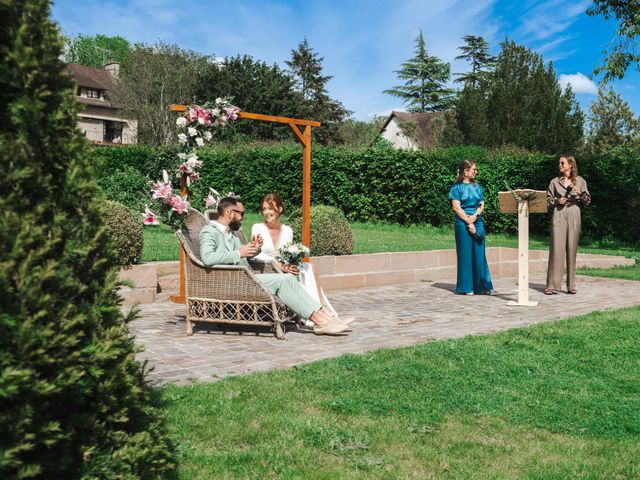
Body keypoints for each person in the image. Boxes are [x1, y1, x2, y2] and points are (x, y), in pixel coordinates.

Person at [199, 196, 350, 335]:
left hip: (247, 277)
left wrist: (255, 248)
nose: (242, 218)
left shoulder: (231, 233)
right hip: (233, 282)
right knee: (283, 280)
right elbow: (207, 258)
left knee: (289, 278)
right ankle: (321, 322)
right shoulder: (209, 232)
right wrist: (239, 253)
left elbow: (244, 255)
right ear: (230, 213)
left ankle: (325, 318)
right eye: (241, 214)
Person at [251, 193, 347, 322]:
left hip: (285, 266)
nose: (267, 212)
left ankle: (322, 309)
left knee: (309, 268)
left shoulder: (287, 230)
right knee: (302, 271)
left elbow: (288, 253)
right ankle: (318, 315)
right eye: (264, 209)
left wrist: (292, 263)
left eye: (270, 208)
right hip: (267, 268)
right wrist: (278, 265)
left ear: (279, 209)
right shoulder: (257, 228)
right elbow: (256, 253)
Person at [449, 160, 496, 296]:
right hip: (462, 224)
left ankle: (484, 286)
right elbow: (456, 207)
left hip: (477, 221)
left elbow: (481, 203)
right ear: (465, 171)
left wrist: (475, 216)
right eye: (474, 169)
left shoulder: (477, 186)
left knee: (480, 254)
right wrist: (468, 222)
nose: (476, 172)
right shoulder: (456, 188)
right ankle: (466, 287)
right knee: (465, 255)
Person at [545, 155, 591, 295]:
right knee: (556, 248)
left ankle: (571, 285)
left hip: (574, 212)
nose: (560, 165)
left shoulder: (580, 181)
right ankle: (552, 285)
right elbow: (547, 200)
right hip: (558, 213)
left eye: (562, 163)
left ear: (570, 164)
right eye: (559, 163)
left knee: (572, 249)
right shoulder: (554, 182)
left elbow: (587, 200)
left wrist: (579, 192)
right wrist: (558, 201)